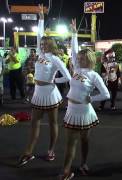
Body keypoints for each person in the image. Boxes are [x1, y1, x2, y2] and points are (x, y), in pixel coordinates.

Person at [18, 4, 71, 167]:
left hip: (50, 93)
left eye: (45, 44)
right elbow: (39, 33)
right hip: (37, 93)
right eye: (41, 44)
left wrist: (54, 81)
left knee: (53, 123)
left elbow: (67, 76)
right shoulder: (40, 55)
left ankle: (51, 150)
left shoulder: (55, 59)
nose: (42, 46)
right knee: (34, 123)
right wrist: (41, 17)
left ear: (51, 45)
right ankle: (29, 152)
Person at [61, 19, 110, 180]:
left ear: (89, 59)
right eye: (79, 58)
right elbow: (73, 52)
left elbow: (106, 94)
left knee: (84, 141)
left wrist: (92, 98)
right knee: (70, 142)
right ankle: (66, 170)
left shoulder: (94, 75)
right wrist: (74, 33)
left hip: (84, 111)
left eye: (82, 58)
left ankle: (83, 163)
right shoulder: (76, 69)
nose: (78, 59)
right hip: (71, 109)